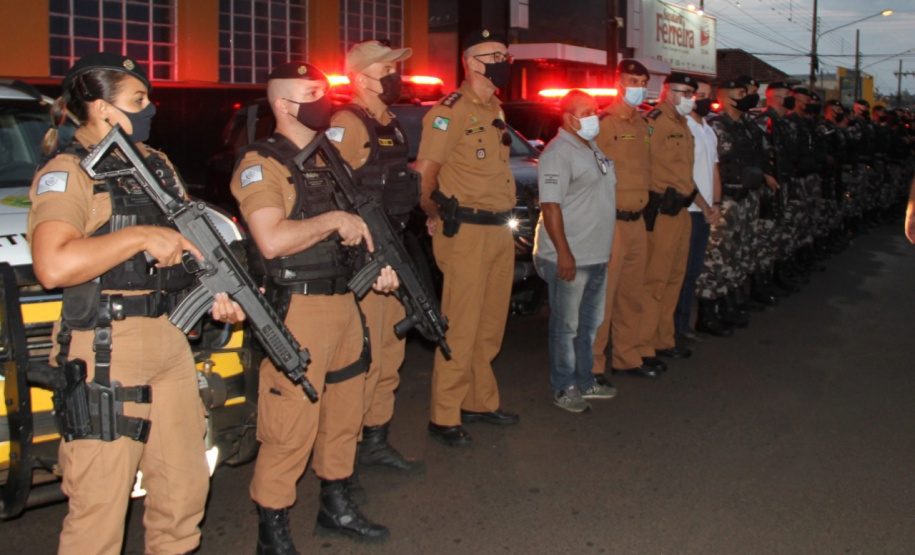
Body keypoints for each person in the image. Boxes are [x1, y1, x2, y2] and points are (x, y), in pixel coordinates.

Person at [28, 52, 245, 555]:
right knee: (99, 514)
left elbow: (184, 248)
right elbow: (53, 265)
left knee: (183, 496)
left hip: (169, 340)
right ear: (103, 109)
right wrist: (139, 236)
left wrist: (216, 294)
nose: (150, 109)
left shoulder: (156, 164)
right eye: (138, 100)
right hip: (107, 349)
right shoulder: (69, 171)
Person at [231, 62, 398, 549]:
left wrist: (377, 264)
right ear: (283, 105)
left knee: (345, 414)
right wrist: (332, 221)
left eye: (324, 90)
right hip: (299, 311)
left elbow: (357, 226)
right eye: (311, 92)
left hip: (346, 301)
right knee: (290, 427)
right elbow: (270, 239)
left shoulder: (328, 159)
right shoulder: (262, 164)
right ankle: (273, 528)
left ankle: (336, 504)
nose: (323, 99)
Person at [415, 29, 520, 447]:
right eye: (497, 55)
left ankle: (479, 400)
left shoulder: (495, 108)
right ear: (473, 62)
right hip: (467, 233)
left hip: (498, 229)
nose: (505, 61)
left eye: (506, 54)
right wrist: (435, 214)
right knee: (460, 326)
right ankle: (444, 414)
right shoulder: (450, 110)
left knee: (490, 324)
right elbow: (424, 173)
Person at [328, 40, 421, 471]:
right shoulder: (348, 123)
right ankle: (345, 451)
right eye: (386, 69)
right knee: (364, 355)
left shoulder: (391, 122)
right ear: (361, 77)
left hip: (394, 247)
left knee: (390, 349)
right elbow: (331, 192)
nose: (395, 76)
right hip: (364, 257)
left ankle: (376, 437)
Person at [533, 90, 617, 413]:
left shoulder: (590, 147)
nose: (593, 117)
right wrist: (564, 253)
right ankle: (564, 386)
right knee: (566, 327)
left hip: (595, 255)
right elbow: (550, 205)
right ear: (567, 118)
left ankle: (586, 380)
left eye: (594, 110)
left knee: (589, 325)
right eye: (585, 112)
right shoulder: (558, 152)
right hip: (570, 257)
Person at [637, 72, 719, 367]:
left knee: (674, 279)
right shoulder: (654, 122)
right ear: (666, 91)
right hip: (660, 212)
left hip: (683, 210)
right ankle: (643, 347)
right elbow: (642, 166)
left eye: (691, 94)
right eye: (683, 92)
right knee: (654, 281)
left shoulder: (683, 125)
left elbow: (685, 177)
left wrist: (704, 204)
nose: (689, 98)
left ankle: (663, 339)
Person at [590, 59, 659, 380]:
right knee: (603, 297)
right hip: (611, 224)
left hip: (637, 222)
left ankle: (626, 357)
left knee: (632, 294)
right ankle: (594, 363)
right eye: (632, 80)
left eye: (642, 82)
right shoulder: (604, 122)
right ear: (619, 83)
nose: (638, 87)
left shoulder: (643, 124)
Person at [675, 76, 731, 340]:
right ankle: (676, 327)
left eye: (710, 94)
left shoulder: (707, 128)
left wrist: (716, 204)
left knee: (694, 271)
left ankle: (685, 324)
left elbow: (714, 171)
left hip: (706, 211)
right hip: (688, 211)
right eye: (701, 94)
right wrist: (706, 205)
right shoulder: (683, 126)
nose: (707, 99)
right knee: (681, 272)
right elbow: (682, 175)